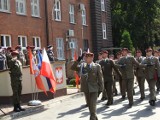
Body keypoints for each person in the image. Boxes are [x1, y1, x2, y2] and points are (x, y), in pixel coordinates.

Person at [71, 52, 103, 120]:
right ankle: (94, 117)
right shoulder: (82, 66)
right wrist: (78, 60)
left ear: (92, 58)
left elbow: (100, 78)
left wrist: (101, 89)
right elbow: (73, 67)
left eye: (89, 57)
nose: (87, 58)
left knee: (93, 105)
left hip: (94, 89)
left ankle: (92, 118)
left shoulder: (97, 66)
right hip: (86, 89)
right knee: (90, 106)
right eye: (86, 57)